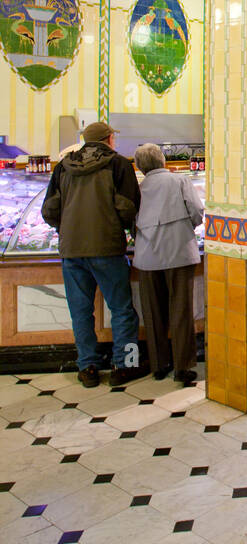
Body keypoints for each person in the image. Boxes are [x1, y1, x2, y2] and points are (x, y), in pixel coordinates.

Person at [41, 121, 140, 389]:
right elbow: (128, 207)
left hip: (72, 251)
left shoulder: (63, 165)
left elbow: (49, 209)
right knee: (122, 311)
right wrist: (116, 225)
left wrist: (68, 227)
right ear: (109, 139)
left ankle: (88, 368)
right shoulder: (119, 164)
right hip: (107, 248)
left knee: (80, 312)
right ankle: (125, 365)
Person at [132, 144, 204, 385]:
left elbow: (130, 219)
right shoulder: (179, 181)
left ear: (141, 167)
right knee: (181, 310)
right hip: (179, 252)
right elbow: (197, 210)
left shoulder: (138, 188)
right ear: (162, 160)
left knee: (152, 312)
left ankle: (159, 365)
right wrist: (186, 228)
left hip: (147, 255)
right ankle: (183, 367)